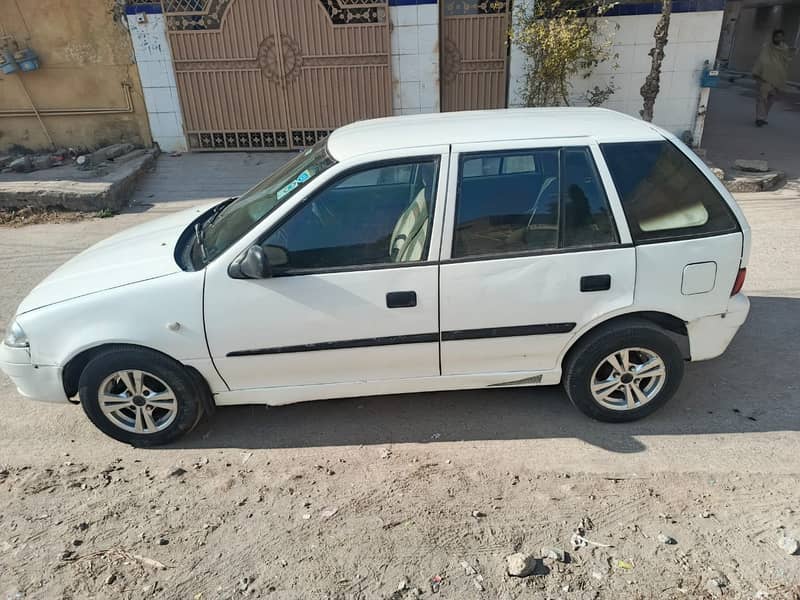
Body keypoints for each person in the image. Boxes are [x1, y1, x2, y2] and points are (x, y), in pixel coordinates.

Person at [752, 29, 795, 126]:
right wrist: (758, 72)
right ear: (773, 37)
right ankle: (759, 118)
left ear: (783, 38)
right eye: (776, 36)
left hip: (778, 78)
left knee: (771, 99)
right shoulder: (766, 47)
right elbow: (761, 59)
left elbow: (786, 61)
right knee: (762, 98)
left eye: (780, 36)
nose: (778, 38)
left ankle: (763, 117)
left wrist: (791, 53)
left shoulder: (785, 49)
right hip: (765, 77)